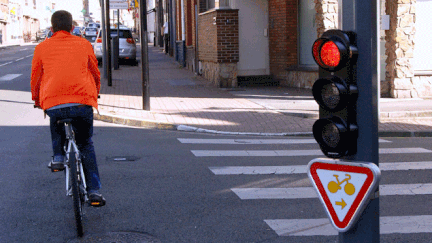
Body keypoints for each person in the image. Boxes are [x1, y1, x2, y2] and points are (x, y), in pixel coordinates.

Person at [31, 10, 105, 206]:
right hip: (82, 101)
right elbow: (95, 72)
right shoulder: (83, 44)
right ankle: (94, 192)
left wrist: (38, 100)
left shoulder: (42, 47)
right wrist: (94, 92)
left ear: (52, 27)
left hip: (54, 102)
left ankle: (58, 156)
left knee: (55, 122)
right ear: (72, 27)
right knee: (85, 144)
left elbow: (36, 78)